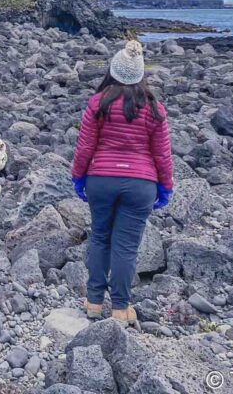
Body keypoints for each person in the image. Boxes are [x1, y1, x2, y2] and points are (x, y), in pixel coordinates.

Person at [70, 39, 174, 324]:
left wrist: (78, 177)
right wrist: (166, 186)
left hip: (101, 181)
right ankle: (119, 309)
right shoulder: (154, 108)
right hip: (140, 184)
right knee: (126, 247)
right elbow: (162, 154)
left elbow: (84, 148)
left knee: (101, 237)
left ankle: (92, 302)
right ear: (140, 74)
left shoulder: (98, 103)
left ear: (113, 71)